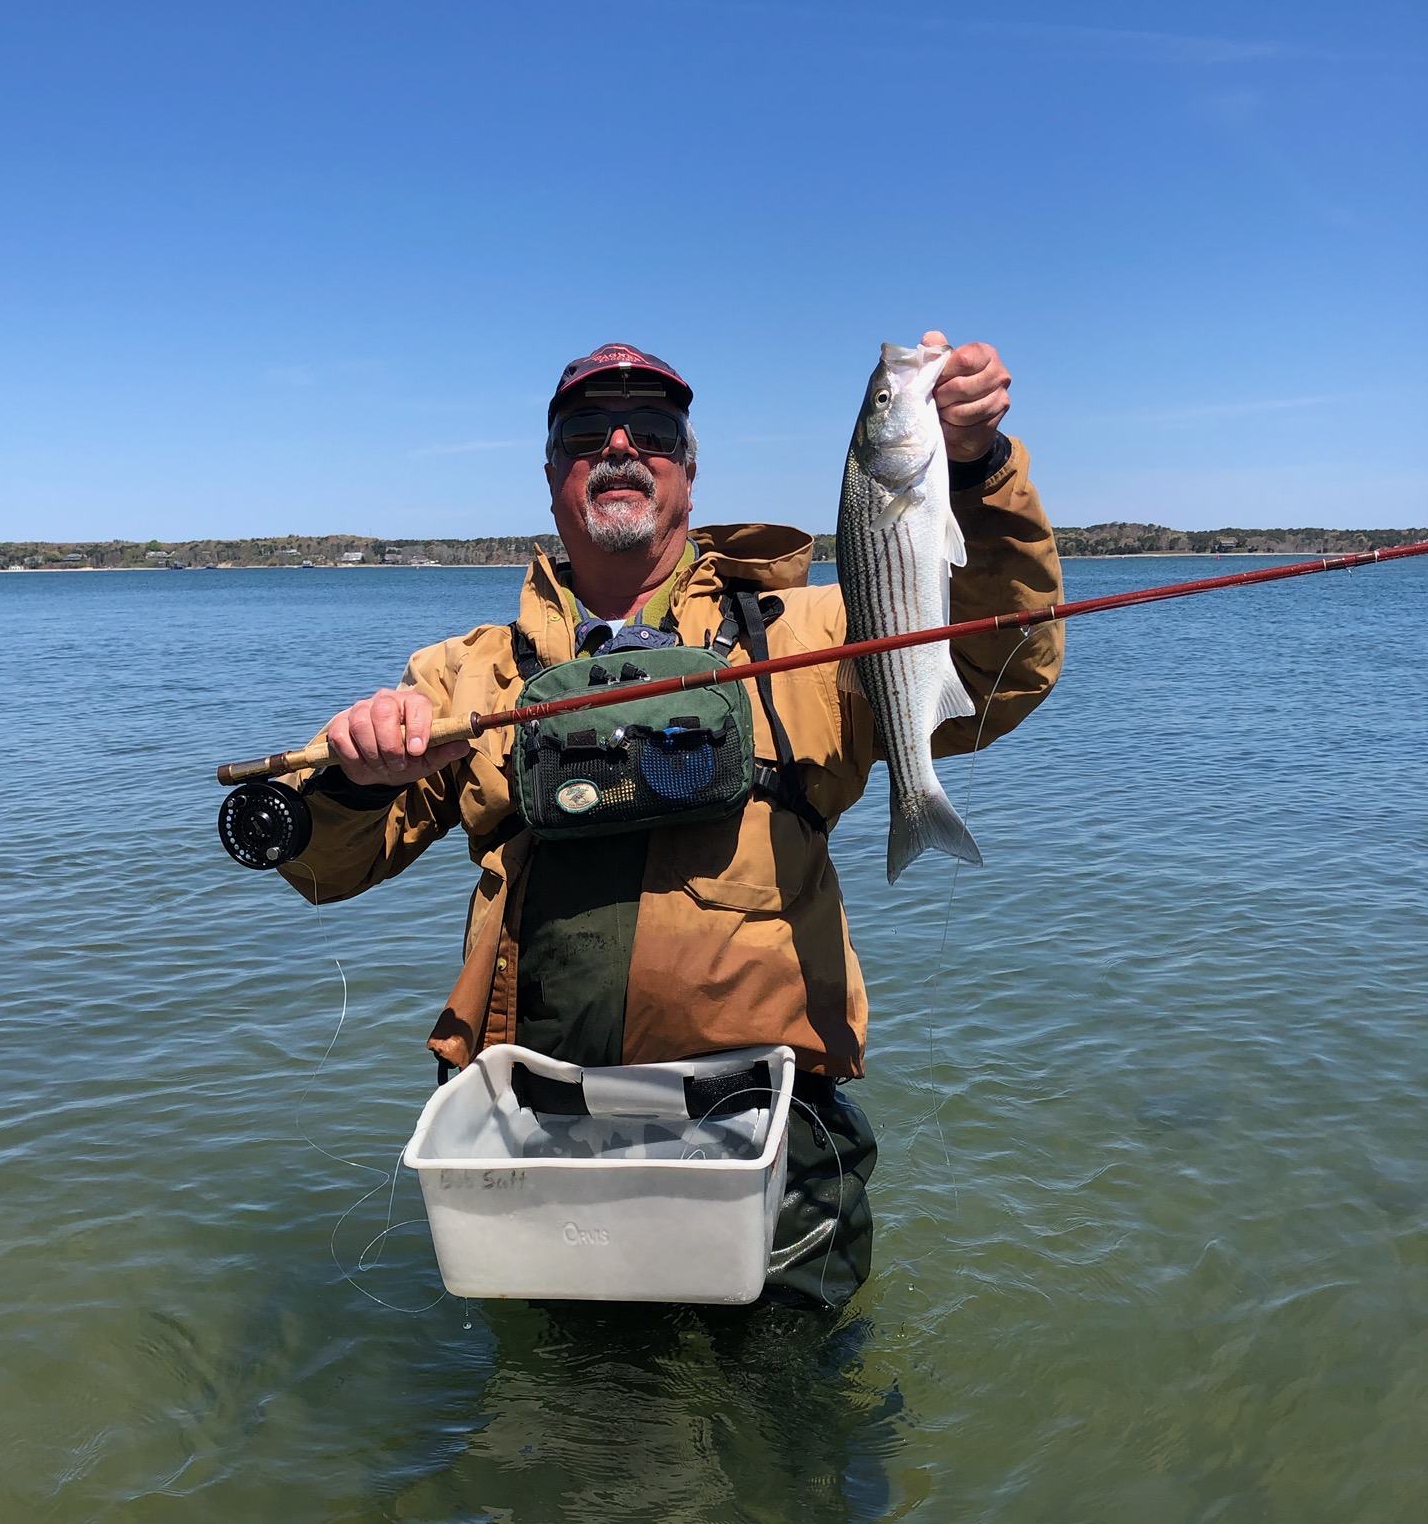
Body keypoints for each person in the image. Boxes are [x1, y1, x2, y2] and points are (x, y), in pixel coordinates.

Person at [277, 337, 1064, 1307]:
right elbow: (321, 867)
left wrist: (980, 472)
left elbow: (1004, 672)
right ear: (551, 474)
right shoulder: (463, 675)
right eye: (584, 433)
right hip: (538, 1150)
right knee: (559, 1436)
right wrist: (353, 774)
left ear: (689, 467)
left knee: (790, 1439)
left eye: (652, 430)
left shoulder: (816, 630)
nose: (618, 445)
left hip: (771, 1143)